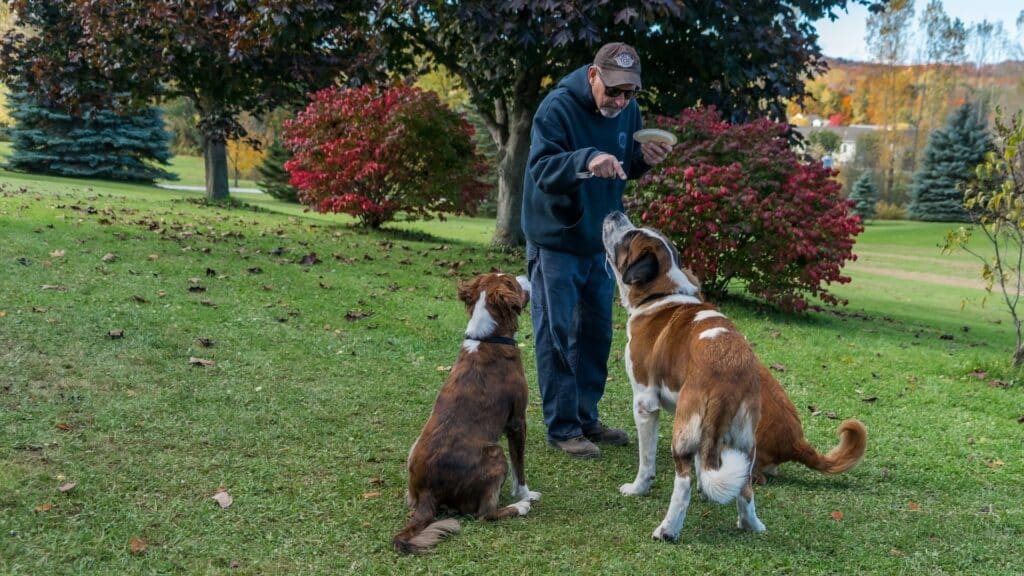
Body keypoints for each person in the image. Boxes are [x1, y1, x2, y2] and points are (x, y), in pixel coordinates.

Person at [521, 42, 672, 458]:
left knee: (596, 334)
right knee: (558, 334)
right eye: (614, 91)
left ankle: (586, 417)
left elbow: (625, 166)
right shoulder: (557, 109)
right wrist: (587, 160)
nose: (621, 101)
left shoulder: (628, 112)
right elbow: (541, 170)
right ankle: (563, 427)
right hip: (556, 240)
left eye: (630, 93)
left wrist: (643, 159)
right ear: (593, 76)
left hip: (603, 244)